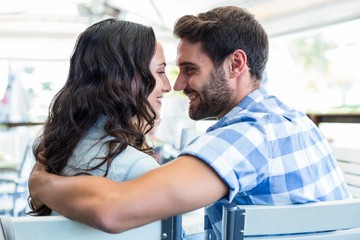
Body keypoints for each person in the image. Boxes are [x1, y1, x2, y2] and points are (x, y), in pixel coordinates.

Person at [28, 6, 351, 239]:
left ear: (235, 64)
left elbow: (113, 209)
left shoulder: (247, 135)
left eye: (190, 69)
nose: (177, 85)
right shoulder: (293, 120)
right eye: (167, 71)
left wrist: (41, 183)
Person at [28, 18, 171, 216]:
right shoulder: (138, 169)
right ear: (125, 78)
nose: (168, 86)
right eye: (161, 71)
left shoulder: (60, 148)